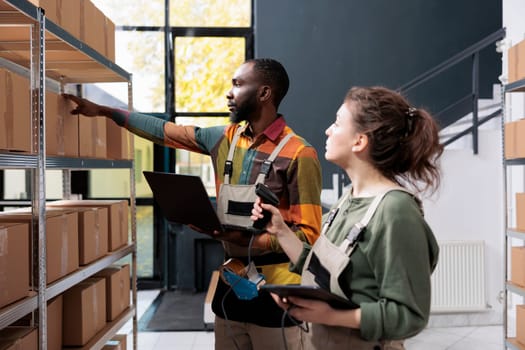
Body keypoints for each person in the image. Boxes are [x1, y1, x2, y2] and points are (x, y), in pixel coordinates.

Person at [63, 58, 322, 350]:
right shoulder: (223, 139)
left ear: (264, 93)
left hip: (278, 298)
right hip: (232, 289)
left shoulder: (300, 153)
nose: (229, 93)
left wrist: (251, 241)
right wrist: (105, 112)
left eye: (237, 84)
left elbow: (308, 236)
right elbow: (164, 131)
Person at [251, 86, 443, 350]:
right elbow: (319, 269)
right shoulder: (349, 198)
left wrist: (331, 316)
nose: (328, 130)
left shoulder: (396, 211)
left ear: (359, 141)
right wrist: (280, 230)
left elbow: (410, 315)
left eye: (338, 123)